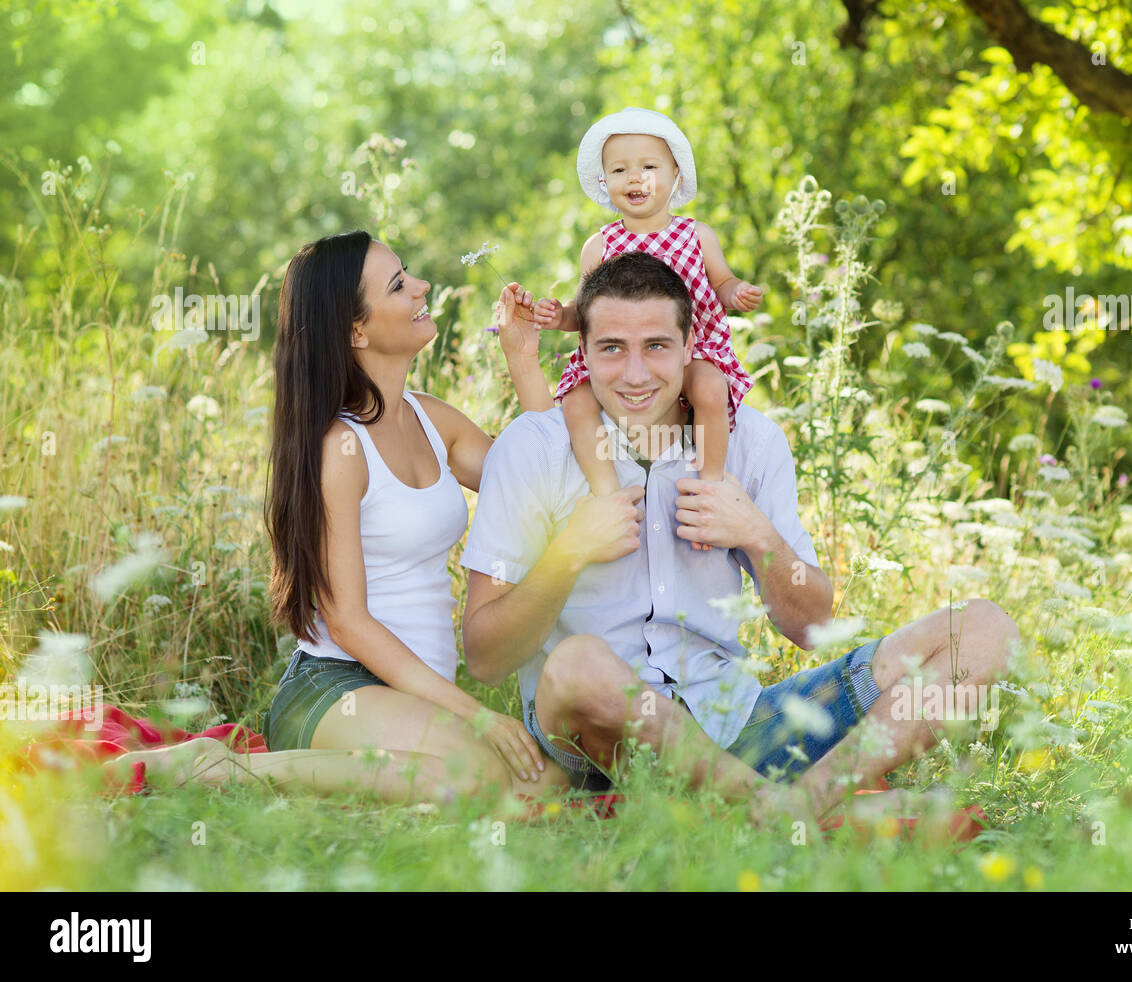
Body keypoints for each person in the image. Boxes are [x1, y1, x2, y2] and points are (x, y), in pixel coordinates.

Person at [461, 250, 1020, 827]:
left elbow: (814, 626)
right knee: (577, 664)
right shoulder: (533, 447)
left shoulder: (750, 441)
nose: (634, 374)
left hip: (738, 723)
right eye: (611, 349)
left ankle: (801, 803)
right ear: (582, 353)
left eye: (655, 346)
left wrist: (759, 536)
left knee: (982, 629)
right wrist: (569, 552)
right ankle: (791, 813)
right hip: (594, 737)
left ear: (689, 347)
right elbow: (484, 656)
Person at [114, 230, 573, 808]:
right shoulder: (339, 448)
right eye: (399, 284)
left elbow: (542, 485)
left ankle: (342, 773)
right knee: (474, 781)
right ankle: (220, 767)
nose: (423, 287)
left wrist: (523, 359)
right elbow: (348, 623)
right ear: (355, 329)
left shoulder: (432, 420)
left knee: (549, 788)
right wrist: (479, 717)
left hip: (413, 697)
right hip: (336, 690)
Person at [533, 107, 760, 552]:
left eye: (649, 167)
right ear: (604, 181)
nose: (635, 179)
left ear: (676, 175)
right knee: (576, 403)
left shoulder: (697, 235)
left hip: (692, 351)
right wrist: (559, 316)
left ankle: (709, 490)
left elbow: (722, 281)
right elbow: (585, 310)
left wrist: (736, 293)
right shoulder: (600, 245)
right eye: (619, 170)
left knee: (710, 391)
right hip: (621, 355)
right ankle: (607, 494)